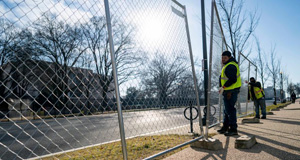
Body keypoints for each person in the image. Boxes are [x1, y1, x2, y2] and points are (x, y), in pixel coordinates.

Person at [217, 51, 241, 136]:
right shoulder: (228, 65)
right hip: (229, 90)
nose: (223, 59)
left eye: (225, 58)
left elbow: (232, 79)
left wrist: (223, 87)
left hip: (230, 91)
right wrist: (222, 87)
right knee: (226, 110)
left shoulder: (231, 65)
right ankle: (226, 127)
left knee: (230, 110)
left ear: (229, 57)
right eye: (222, 58)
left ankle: (233, 128)